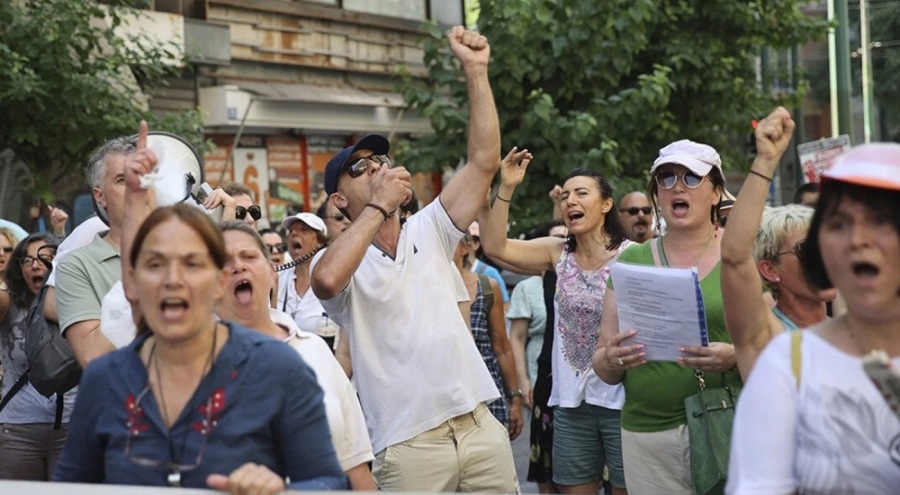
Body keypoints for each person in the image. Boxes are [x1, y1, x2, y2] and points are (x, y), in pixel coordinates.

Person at [310, 26, 519, 493]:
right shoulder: (341, 259)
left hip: (478, 425)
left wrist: (476, 72)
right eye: (360, 168)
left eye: (380, 160)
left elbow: (484, 162)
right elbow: (324, 281)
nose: (378, 168)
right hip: (406, 444)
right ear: (339, 202)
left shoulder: (431, 226)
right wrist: (379, 206)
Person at [53, 204, 347, 492]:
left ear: (219, 281)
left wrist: (280, 491)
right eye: (155, 264)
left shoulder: (278, 367)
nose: (172, 280)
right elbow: (68, 487)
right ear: (133, 283)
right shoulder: (105, 379)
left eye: (192, 263)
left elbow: (328, 480)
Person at [727, 142, 900, 494]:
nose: (858, 240)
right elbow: (734, 257)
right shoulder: (784, 361)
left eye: (881, 220)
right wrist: (765, 162)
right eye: (838, 224)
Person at [479, 147, 631, 495]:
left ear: (606, 204)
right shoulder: (556, 253)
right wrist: (507, 186)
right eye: (565, 196)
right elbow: (494, 245)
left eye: (581, 193)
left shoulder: (634, 255)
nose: (569, 201)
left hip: (623, 401)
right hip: (570, 404)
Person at [592, 138, 740, 495]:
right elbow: (602, 366)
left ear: (716, 192)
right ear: (656, 193)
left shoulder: (739, 256)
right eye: (666, 178)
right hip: (649, 431)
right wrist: (612, 358)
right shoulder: (631, 261)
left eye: (691, 178)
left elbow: (774, 344)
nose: (677, 187)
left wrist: (734, 355)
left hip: (728, 421)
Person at [215, 221, 375, 490]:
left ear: (271, 272)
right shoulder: (192, 363)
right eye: (222, 261)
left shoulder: (313, 348)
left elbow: (354, 462)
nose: (238, 266)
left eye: (249, 256)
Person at [721, 107, 834, 380]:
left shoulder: (854, 330)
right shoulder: (767, 336)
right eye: (806, 249)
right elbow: (735, 256)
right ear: (771, 270)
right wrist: (765, 161)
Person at [52, 136, 136, 367]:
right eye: (122, 180)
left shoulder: (179, 249)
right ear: (100, 196)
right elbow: (91, 356)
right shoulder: (76, 266)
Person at [0, 233, 75, 480]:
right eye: (27, 259)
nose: (35, 265)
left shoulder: (82, 306)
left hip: (71, 428)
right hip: (18, 429)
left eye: (45, 258)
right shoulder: (9, 303)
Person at [454, 234, 523, 437]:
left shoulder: (487, 287)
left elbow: (502, 347)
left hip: (487, 392)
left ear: (464, 248)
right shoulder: (424, 289)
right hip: (446, 395)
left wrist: (515, 399)